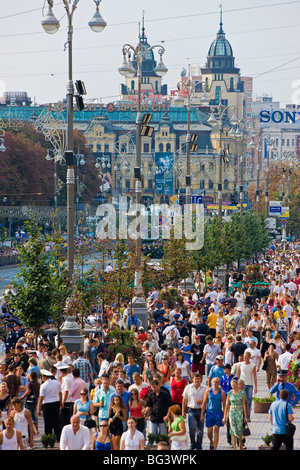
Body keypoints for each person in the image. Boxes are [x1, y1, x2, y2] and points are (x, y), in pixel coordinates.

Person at [182, 373, 207, 450]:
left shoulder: (205, 388)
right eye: (195, 378)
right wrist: (183, 411)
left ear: (201, 379)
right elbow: (184, 400)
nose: (196, 380)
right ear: (192, 379)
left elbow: (208, 400)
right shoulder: (188, 387)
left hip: (201, 411)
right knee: (192, 429)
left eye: (198, 378)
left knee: (200, 430)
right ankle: (192, 444)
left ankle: (199, 445)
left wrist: (202, 401)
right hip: (191, 410)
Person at [201, 377, 226, 450]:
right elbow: (204, 402)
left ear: (219, 383)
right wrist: (202, 414)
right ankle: (211, 441)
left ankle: (215, 448)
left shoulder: (222, 392)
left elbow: (224, 404)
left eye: (217, 382)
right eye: (214, 382)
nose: (215, 383)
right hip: (209, 413)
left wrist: (224, 416)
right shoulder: (208, 391)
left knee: (216, 429)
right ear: (212, 382)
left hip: (218, 413)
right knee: (209, 431)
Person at [222, 378, 248, 450]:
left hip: (239, 412)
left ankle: (240, 443)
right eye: (232, 385)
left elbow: (244, 404)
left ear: (237, 384)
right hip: (232, 412)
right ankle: (234, 447)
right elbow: (227, 405)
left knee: (239, 429)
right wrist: (224, 416)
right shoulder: (229, 393)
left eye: (234, 385)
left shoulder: (242, 393)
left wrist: (246, 416)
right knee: (232, 430)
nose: (233, 387)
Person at [37, 369, 62, 441]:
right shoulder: (57, 382)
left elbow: (41, 398)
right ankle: (58, 436)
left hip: (47, 404)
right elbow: (60, 393)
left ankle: (49, 438)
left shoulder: (43, 385)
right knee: (56, 420)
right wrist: (60, 402)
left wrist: (38, 408)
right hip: (56, 402)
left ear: (44, 377)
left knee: (48, 422)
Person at [237, 352, 257, 421]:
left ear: (249, 357)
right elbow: (238, 375)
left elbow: (254, 376)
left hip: (250, 385)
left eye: (246, 356)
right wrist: (237, 384)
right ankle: (243, 416)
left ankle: (248, 416)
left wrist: (256, 387)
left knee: (249, 401)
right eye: (244, 356)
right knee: (242, 400)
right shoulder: (240, 364)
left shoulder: (253, 365)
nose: (245, 357)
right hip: (242, 385)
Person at [20, 370, 40, 435]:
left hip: (29, 401)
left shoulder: (30, 383)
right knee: (34, 415)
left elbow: (28, 392)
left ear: (30, 376)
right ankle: (36, 429)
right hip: (35, 400)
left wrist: (21, 397)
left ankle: (31, 430)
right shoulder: (37, 383)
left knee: (28, 415)